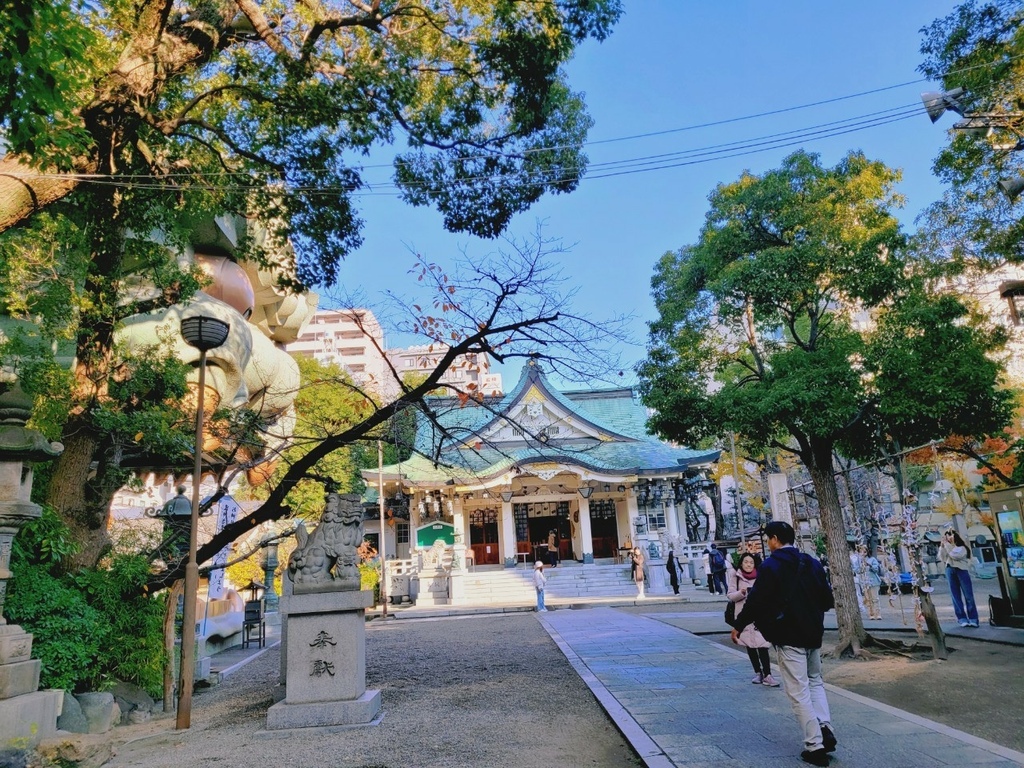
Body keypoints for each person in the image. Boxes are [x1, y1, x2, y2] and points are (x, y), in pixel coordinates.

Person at [730, 521, 836, 767]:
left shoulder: (771, 566)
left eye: (768, 539)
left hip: (789, 635)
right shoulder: (812, 562)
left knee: (798, 690)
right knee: (815, 681)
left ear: (775, 539)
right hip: (813, 633)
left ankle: (814, 745)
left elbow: (755, 601)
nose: (768, 543)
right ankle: (824, 726)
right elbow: (827, 599)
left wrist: (739, 624)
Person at [728, 552, 779, 687]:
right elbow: (731, 595)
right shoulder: (736, 576)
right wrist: (742, 593)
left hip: (760, 615)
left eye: (751, 562)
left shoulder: (761, 575)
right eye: (746, 562)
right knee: (750, 645)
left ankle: (768, 674)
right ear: (741, 563)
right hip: (743, 616)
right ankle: (758, 672)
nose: (749, 565)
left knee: (763, 644)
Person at [939, 529, 979, 628]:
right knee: (955, 595)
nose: (949, 537)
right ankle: (962, 618)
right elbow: (941, 557)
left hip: (962, 570)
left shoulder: (962, 548)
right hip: (949, 570)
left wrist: (947, 546)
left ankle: (973, 618)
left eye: (950, 535)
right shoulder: (947, 547)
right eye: (947, 536)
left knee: (968, 595)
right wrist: (941, 546)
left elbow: (955, 555)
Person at [861, 548, 883, 620]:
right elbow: (857, 570)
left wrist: (869, 565)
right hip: (864, 581)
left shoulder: (872, 559)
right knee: (868, 598)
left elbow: (876, 569)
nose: (863, 553)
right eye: (861, 551)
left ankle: (878, 613)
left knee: (875, 598)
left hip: (873, 581)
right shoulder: (859, 560)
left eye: (864, 551)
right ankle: (871, 613)